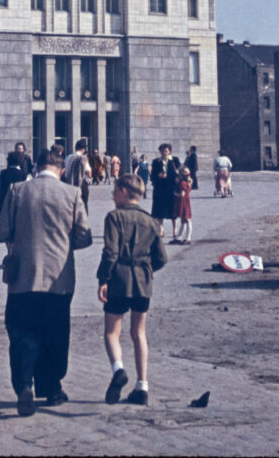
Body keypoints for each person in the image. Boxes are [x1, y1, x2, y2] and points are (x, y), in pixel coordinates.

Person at [0, 148, 92, 416]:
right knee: (55, 333)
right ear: (61, 170)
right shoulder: (72, 194)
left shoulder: (17, 190)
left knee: (22, 332)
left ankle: (24, 385)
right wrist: (63, 243)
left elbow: (1, 229)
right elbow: (84, 237)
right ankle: (52, 390)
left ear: (36, 168)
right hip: (59, 281)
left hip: (23, 278)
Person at [97, 173, 167, 407]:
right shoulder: (151, 222)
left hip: (118, 280)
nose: (113, 195)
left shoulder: (114, 217)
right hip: (143, 282)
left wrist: (102, 279)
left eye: (115, 190)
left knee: (111, 333)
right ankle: (142, 386)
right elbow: (162, 258)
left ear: (124, 192)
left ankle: (118, 370)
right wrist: (146, 270)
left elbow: (110, 253)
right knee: (139, 333)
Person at [150, 143, 179, 238]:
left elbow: (179, 174)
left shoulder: (175, 161)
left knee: (173, 211)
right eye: (162, 151)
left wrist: (170, 176)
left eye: (166, 151)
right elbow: (152, 176)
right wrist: (158, 176)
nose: (164, 153)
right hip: (160, 190)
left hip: (171, 189)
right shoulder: (156, 162)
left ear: (169, 151)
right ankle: (161, 230)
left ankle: (175, 229)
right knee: (160, 211)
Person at [0, 151, 27, 221]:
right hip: (18, 207)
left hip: (2, 206)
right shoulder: (24, 175)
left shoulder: (1, 173)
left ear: (8, 161)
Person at [67, 138, 92, 214]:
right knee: (84, 204)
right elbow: (88, 172)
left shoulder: (68, 157)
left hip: (69, 184)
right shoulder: (83, 158)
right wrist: (89, 178)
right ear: (83, 149)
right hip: (81, 184)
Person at [173, 166, 193, 244]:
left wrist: (175, 193)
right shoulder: (188, 182)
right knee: (183, 220)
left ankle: (188, 238)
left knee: (187, 219)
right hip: (186, 202)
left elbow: (182, 194)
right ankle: (179, 237)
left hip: (183, 202)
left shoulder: (183, 183)